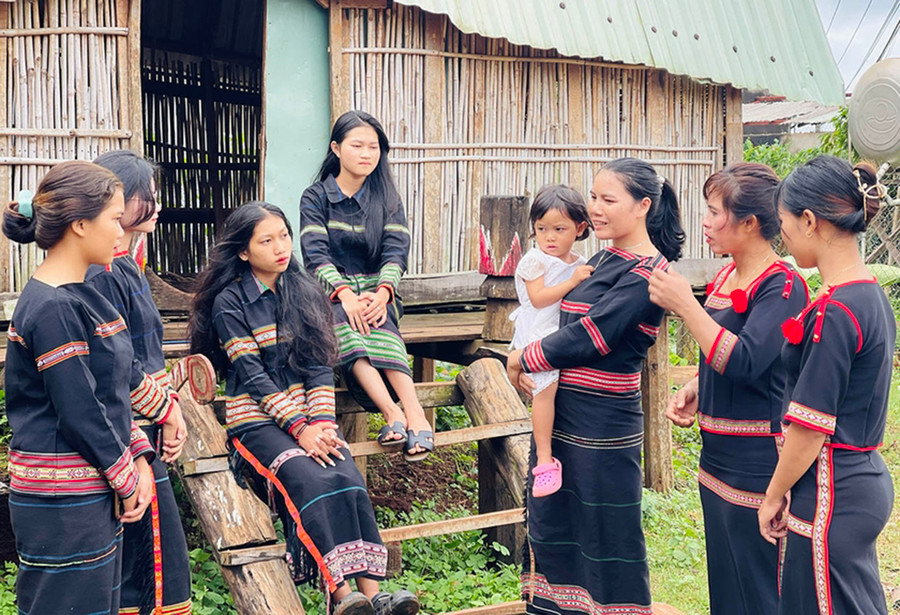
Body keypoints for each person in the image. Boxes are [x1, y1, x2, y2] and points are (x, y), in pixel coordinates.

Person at [188, 202, 419, 615]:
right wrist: (301, 430)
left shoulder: (305, 290)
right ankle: (340, 594)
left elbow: (318, 367)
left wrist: (324, 424)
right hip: (255, 421)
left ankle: (374, 594)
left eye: (284, 236)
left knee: (347, 474)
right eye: (266, 240)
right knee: (307, 479)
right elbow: (253, 375)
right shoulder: (229, 302)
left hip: (310, 419)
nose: (281, 247)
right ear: (243, 251)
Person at [506, 158, 685, 614]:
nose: (596, 209)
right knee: (557, 521)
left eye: (609, 199)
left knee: (607, 529)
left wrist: (525, 357)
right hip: (564, 413)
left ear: (644, 205)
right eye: (594, 197)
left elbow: (594, 336)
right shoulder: (602, 258)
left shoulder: (647, 272)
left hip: (604, 425)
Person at [646, 163, 809, 614]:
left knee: (760, 587)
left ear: (750, 223)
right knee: (726, 580)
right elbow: (723, 357)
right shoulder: (724, 278)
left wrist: (685, 306)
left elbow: (745, 361)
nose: (704, 220)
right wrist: (700, 384)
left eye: (714, 211)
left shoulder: (784, 285)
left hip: (758, 463)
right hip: (715, 457)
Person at [3, 161, 155, 613]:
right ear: (80, 224)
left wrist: (137, 452)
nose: (121, 230)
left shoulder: (83, 294)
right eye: (114, 217)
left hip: (90, 488)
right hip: (61, 498)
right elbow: (81, 410)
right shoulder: (52, 308)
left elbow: (111, 387)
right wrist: (127, 478)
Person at [758, 156, 895, 615]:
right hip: (862, 480)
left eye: (785, 224)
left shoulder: (835, 311)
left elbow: (811, 425)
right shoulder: (871, 295)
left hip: (832, 491)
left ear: (811, 221)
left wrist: (774, 493)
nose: (784, 237)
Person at [84, 150, 194, 615]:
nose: (158, 204)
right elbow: (117, 364)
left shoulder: (124, 264)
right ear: (121, 201)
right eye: (149, 194)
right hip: (128, 427)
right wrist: (167, 410)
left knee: (147, 556)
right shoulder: (103, 271)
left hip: (142, 420)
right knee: (148, 563)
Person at [300, 110, 432, 461]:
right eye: (357, 145)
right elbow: (314, 254)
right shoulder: (316, 198)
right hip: (330, 292)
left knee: (380, 319)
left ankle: (415, 412)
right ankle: (392, 412)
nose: (366, 154)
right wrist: (344, 294)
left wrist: (383, 293)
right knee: (344, 324)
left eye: (373, 147)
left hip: (377, 289)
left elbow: (396, 250)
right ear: (336, 148)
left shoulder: (386, 197)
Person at [510, 185, 593, 497]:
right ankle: (544, 459)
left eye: (559, 229)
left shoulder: (579, 260)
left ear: (580, 228)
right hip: (538, 333)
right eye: (542, 229)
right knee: (545, 392)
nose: (550, 237)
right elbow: (539, 298)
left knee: (558, 391)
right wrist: (573, 281)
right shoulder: (535, 261)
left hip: (561, 333)